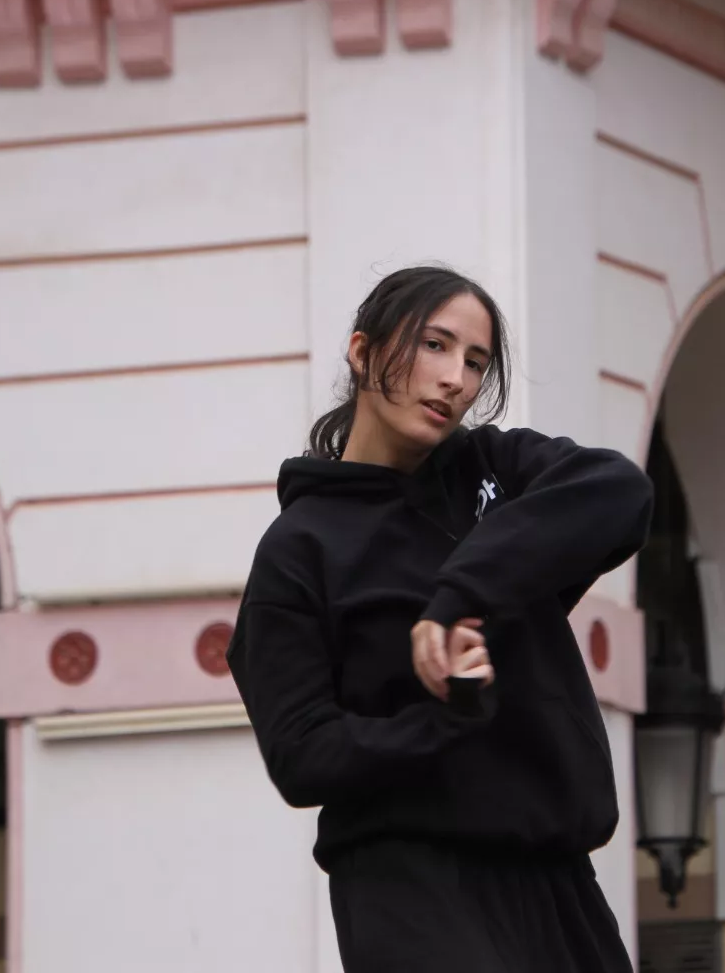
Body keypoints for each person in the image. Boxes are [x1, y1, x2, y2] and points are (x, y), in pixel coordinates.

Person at [226, 264, 654, 973]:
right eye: (435, 345)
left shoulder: (497, 470)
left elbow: (619, 492)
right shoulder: (297, 552)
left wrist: (461, 595)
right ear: (362, 352)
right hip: (410, 887)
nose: (456, 378)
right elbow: (302, 755)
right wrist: (442, 719)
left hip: (557, 878)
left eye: (475, 361)